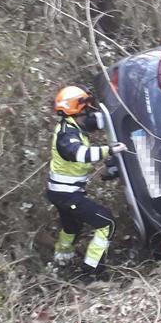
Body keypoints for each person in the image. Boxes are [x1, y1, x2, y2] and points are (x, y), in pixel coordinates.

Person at [47, 85, 126, 272]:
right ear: (77, 107)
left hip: (60, 193)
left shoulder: (73, 125)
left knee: (71, 228)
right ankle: (92, 271)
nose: (90, 108)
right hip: (68, 195)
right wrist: (109, 150)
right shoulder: (66, 136)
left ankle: (61, 261)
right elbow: (78, 153)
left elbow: (98, 121)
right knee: (107, 223)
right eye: (87, 104)